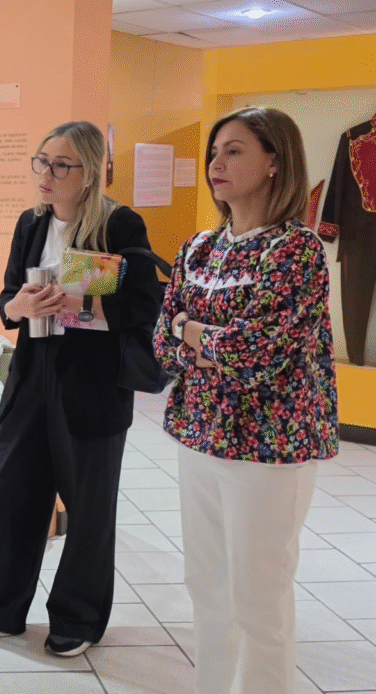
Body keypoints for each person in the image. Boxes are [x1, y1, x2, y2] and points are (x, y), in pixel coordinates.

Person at [0, 121, 164, 656]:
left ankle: (77, 618)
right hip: (31, 373)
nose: (46, 174)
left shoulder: (119, 223)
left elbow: (145, 304)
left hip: (92, 381)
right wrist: (17, 307)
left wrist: (83, 303)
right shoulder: (30, 222)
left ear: (89, 173)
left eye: (61, 165)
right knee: (14, 492)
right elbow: (8, 296)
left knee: (88, 507)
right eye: (42, 160)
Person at [152, 106, 338, 694]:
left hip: (270, 448)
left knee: (258, 597)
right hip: (199, 435)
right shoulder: (198, 249)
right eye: (214, 152)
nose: (217, 163)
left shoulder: (296, 250)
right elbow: (161, 343)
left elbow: (261, 352)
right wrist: (204, 342)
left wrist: (191, 332)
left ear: (274, 161)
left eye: (234, 150)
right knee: (206, 586)